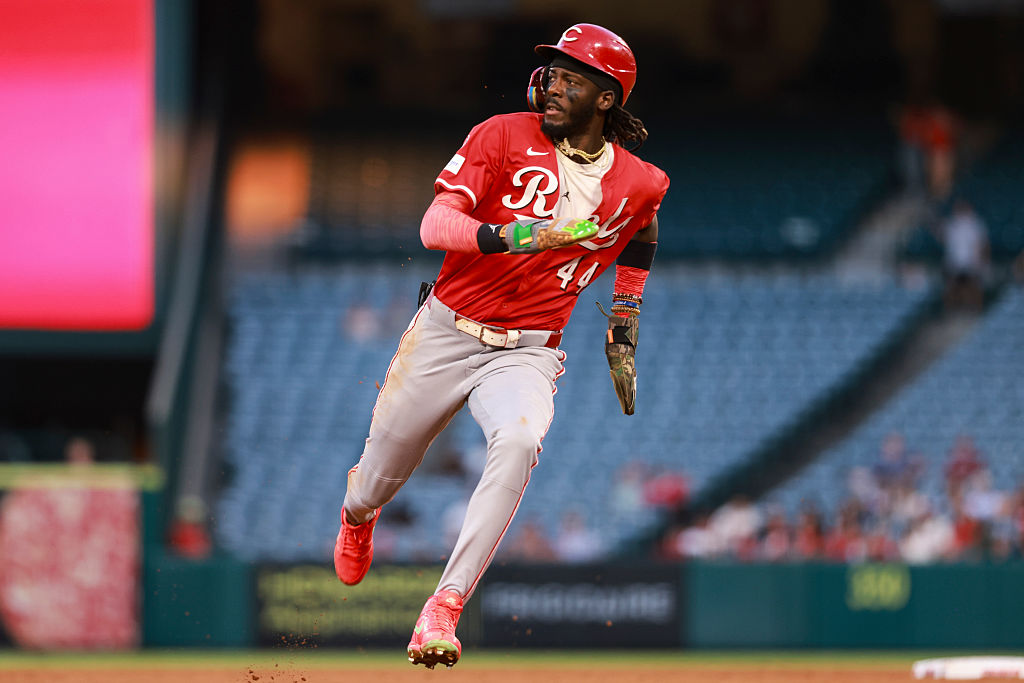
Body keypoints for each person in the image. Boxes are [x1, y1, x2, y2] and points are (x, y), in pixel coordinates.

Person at [332, 23, 669, 670]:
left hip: (529, 351)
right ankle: (357, 512)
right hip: (446, 330)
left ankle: (445, 606)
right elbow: (436, 224)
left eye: (573, 78)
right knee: (377, 476)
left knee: (519, 438)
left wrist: (623, 323)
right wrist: (512, 237)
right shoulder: (502, 134)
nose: (553, 85)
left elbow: (643, 230)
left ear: (607, 98)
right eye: (553, 72)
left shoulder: (640, 180)